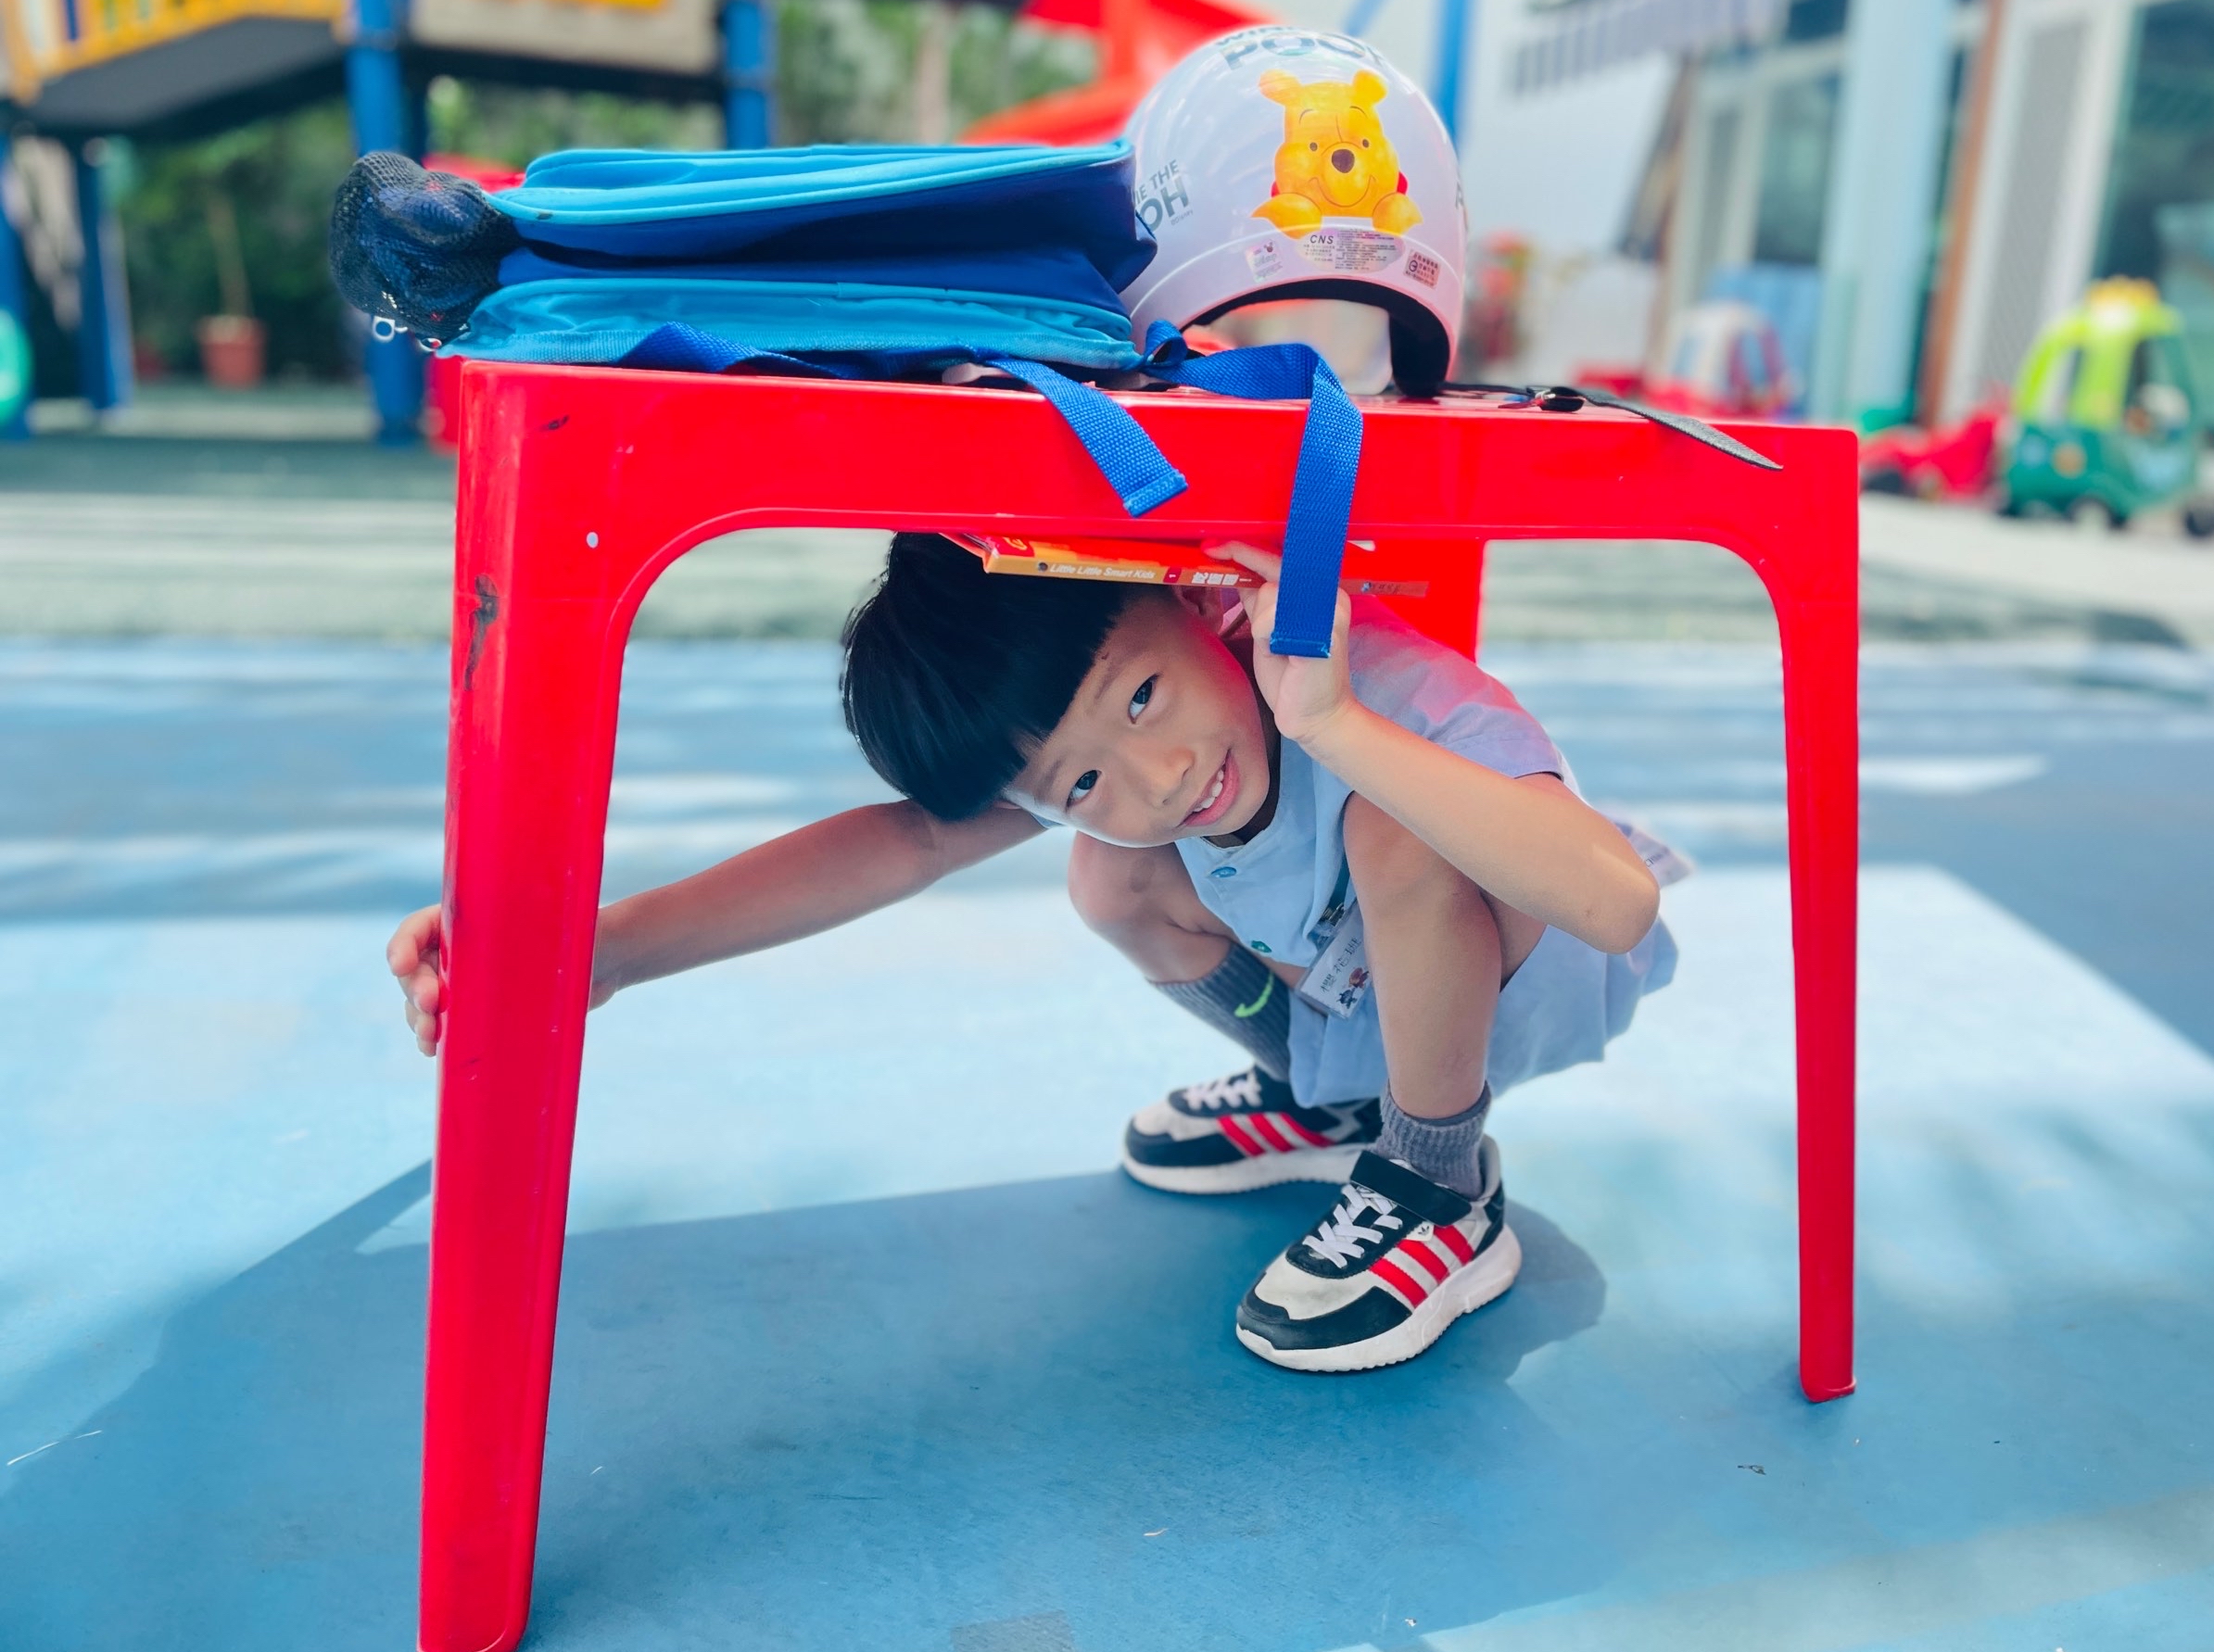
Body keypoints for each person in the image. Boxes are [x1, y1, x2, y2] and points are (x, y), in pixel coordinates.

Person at [391, 536, 1676, 1372]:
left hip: (1526, 967)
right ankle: (1328, 1102)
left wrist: (1332, 722)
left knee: (1396, 828)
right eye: (1080, 778)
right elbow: (904, 841)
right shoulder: (1137, 778)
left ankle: (1437, 1177)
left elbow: (1614, 906)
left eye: (1142, 697)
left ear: (1195, 599)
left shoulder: (1387, 692)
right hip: (1357, 1002)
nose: (1159, 774)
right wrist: (600, 950)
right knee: (1113, 871)